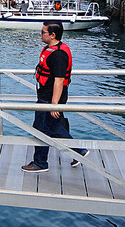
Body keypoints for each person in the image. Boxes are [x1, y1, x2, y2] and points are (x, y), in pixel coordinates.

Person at [22, 21, 87, 173]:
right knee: (52, 126)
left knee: (42, 127)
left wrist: (54, 104)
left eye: (43, 32)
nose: (40, 34)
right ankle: (78, 151)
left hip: (51, 97)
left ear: (53, 35)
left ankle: (40, 162)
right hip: (47, 95)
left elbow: (59, 80)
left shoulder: (58, 55)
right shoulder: (50, 49)